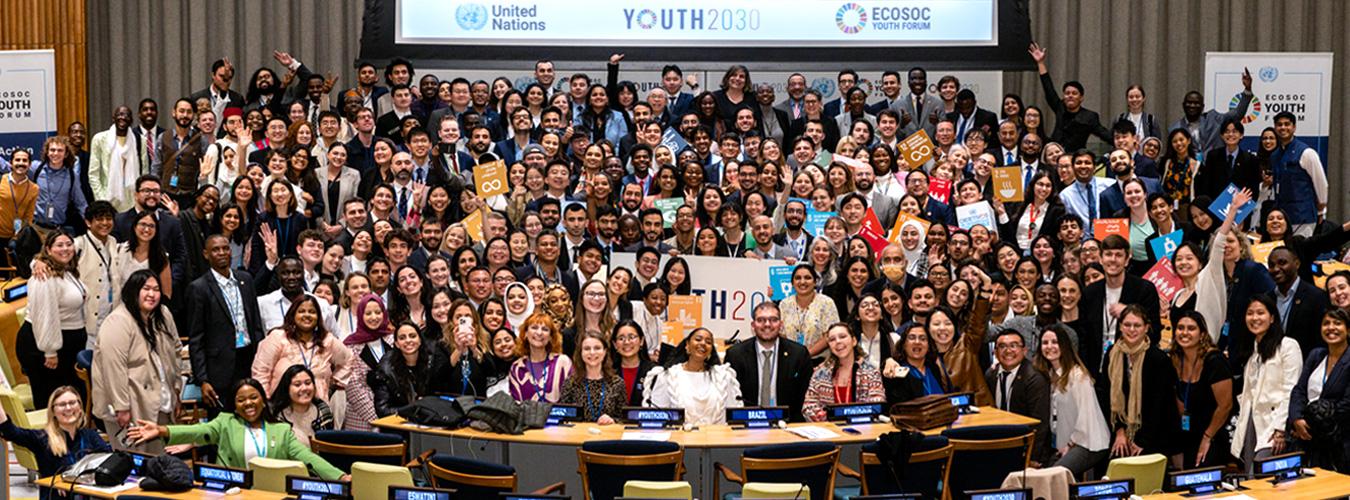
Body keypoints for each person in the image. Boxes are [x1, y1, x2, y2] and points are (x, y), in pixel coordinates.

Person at [127, 378, 348, 481]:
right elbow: (196, 432)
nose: (248, 403)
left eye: (253, 397)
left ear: (263, 400)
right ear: (234, 404)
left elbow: (308, 458)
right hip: (230, 492)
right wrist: (163, 431)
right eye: (241, 400)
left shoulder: (280, 430)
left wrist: (340, 477)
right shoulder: (225, 423)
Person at [91, 269, 183, 453]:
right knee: (134, 461)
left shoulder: (163, 314)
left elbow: (176, 351)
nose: (152, 294)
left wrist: (177, 390)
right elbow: (113, 368)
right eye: (146, 288)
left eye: (156, 289)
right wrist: (121, 407)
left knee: (160, 458)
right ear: (133, 291)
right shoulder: (118, 321)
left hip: (162, 397)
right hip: (130, 403)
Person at [185, 234, 265, 414]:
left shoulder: (246, 280)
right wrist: (203, 380)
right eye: (215, 249)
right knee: (222, 425)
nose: (222, 253)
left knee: (250, 416)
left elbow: (256, 324)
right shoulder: (199, 288)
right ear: (206, 254)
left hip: (248, 360)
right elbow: (196, 338)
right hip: (218, 370)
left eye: (225, 248)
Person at [17, 231, 88, 409]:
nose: (65, 249)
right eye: (59, 245)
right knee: (52, 398)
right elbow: (44, 315)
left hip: (67, 342)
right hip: (45, 346)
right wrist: (50, 350)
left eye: (68, 244)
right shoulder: (44, 276)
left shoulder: (65, 269)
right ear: (48, 249)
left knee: (71, 395)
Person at [1231, 295, 1302, 472]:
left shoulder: (1287, 346)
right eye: (1250, 313)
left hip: (1275, 423)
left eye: (1260, 313)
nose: (1255, 318)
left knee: (1267, 476)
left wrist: (1280, 429)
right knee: (1251, 477)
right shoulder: (1252, 352)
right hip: (1251, 421)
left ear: (1272, 318)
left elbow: (1291, 390)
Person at [0, 387, 110, 498]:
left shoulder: (91, 436)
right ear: (53, 411)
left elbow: (109, 462)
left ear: (80, 408)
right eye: (62, 404)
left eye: (72, 403)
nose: (68, 408)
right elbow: (10, 432)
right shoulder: (43, 438)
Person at [1034, 324, 1109, 478]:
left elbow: (1086, 418)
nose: (1049, 347)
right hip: (1062, 442)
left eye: (1054, 342)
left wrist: (1070, 445)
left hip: (1088, 443)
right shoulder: (1047, 374)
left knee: (1053, 476)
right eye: (1045, 343)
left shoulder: (1078, 376)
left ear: (1064, 345)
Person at [1107, 305, 1179, 460]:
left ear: (1146, 328)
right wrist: (1120, 431)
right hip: (1122, 429)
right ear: (1120, 326)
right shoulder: (1112, 354)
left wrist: (1142, 441)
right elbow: (1107, 394)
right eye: (1127, 325)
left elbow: (1158, 405)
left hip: (1155, 433)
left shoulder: (1158, 359)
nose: (1131, 329)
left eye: (1137, 325)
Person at [725, 301, 813, 421]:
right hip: (747, 422)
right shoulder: (735, 354)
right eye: (761, 320)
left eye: (773, 320)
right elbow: (731, 397)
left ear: (781, 324)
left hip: (788, 423)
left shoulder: (798, 354)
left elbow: (803, 395)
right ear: (753, 325)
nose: (767, 324)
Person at [251, 295, 352, 399]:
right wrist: (265, 400)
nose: (307, 315)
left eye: (312, 312)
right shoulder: (278, 337)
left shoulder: (327, 340)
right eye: (301, 311)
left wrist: (332, 386)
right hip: (282, 406)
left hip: (318, 407)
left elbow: (349, 360)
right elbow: (261, 371)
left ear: (318, 318)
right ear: (293, 315)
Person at [1288, 308, 1350, 472]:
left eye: (1337, 323)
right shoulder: (1316, 355)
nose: (1331, 328)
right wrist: (1296, 419)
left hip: (1340, 441)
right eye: (1326, 323)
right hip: (1307, 439)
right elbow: (1299, 390)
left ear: (1348, 329)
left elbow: (1346, 403)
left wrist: (1312, 424)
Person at [1169, 312, 1233, 468]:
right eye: (1180, 328)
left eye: (1191, 328)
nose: (1184, 333)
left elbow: (1225, 406)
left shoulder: (1215, 361)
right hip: (1188, 432)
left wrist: (1207, 437)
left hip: (1214, 432)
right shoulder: (1175, 359)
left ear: (1202, 334)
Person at [643, 327, 742, 426]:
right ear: (687, 345)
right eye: (698, 339)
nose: (703, 343)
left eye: (708, 342)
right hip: (679, 439)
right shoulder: (668, 376)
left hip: (716, 438)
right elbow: (656, 417)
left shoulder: (723, 376)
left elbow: (734, 416)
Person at [986, 329, 1053, 466]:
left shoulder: (1034, 378)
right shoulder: (990, 375)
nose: (1008, 351)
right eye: (1002, 346)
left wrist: (1032, 457)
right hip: (999, 445)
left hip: (1027, 449)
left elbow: (1040, 423)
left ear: (1025, 350)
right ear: (995, 352)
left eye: (1014, 345)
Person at [803, 323, 885, 421]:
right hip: (829, 432)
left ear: (854, 341)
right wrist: (825, 416)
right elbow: (807, 408)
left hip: (863, 430)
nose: (838, 342)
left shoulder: (871, 372)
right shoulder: (820, 374)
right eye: (832, 339)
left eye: (842, 337)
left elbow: (877, 405)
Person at [370, 321, 449, 417]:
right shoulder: (386, 369)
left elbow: (442, 398)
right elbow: (382, 410)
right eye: (402, 338)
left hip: (430, 420)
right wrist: (412, 409)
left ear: (420, 340)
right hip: (398, 426)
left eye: (412, 336)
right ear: (397, 344)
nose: (408, 340)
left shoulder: (432, 361)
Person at [341, 293, 395, 431]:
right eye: (368, 313)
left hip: (395, 417)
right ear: (360, 315)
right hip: (362, 421)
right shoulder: (350, 346)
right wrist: (378, 420)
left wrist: (391, 417)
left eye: (378, 312)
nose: (374, 317)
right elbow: (354, 388)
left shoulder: (394, 340)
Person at [560, 330, 626, 424]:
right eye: (587, 348)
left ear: (605, 352)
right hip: (578, 436)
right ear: (581, 353)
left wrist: (612, 420)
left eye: (597, 348)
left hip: (607, 435)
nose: (592, 352)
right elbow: (563, 417)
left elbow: (624, 418)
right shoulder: (570, 383)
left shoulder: (617, 383)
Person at [509, 312, 574, 403]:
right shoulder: (516, 368)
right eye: (534, 328)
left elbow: (572, 398)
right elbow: (515, 405)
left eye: (545, 329)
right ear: (526, 334)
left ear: (551, 337)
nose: (539, 333)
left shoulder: (563, 362)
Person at [268, 364, 335, 447]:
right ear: (287, 388)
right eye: (297, 384)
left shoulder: (323, 410)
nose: (304, 388)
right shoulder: (277, 415)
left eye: (308, 383)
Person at [780, 264, 840, 357]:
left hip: (819, 361)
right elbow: (781, 334)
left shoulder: (826, 303)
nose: (802, 282)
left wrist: (805, 355)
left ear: (815, 282)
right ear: (792, 283)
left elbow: (829, 335)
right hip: (790, 360)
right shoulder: (784, 304)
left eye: (807, 278)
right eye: (798, 278)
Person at [883, 323, 951, 403]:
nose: (917, 342)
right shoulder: (897, 372)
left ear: (928, 345)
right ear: (904, 344)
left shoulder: (933, 368)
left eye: (922, 339)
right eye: (912, 338)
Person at [611, 320, 657, 406]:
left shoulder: (654, 372)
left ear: (641, 341)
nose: (627, 342)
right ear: (614, 344)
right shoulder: (608, 371)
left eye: (631, 337)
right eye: (621, 338)